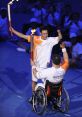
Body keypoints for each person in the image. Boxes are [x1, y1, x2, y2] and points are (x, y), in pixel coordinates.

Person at [9, 26, 62, 101]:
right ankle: (34, 97)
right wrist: (13, 31)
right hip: (36, 65)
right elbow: (23, 36)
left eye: (46, 33)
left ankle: (49, 96)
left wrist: (59, 32)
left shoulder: (51, 40)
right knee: (34, 82)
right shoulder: (35, 38)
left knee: (48, 83)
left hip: (45, 66)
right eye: (43, 34)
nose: (45, 35)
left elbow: (59, 37)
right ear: (40, 33)